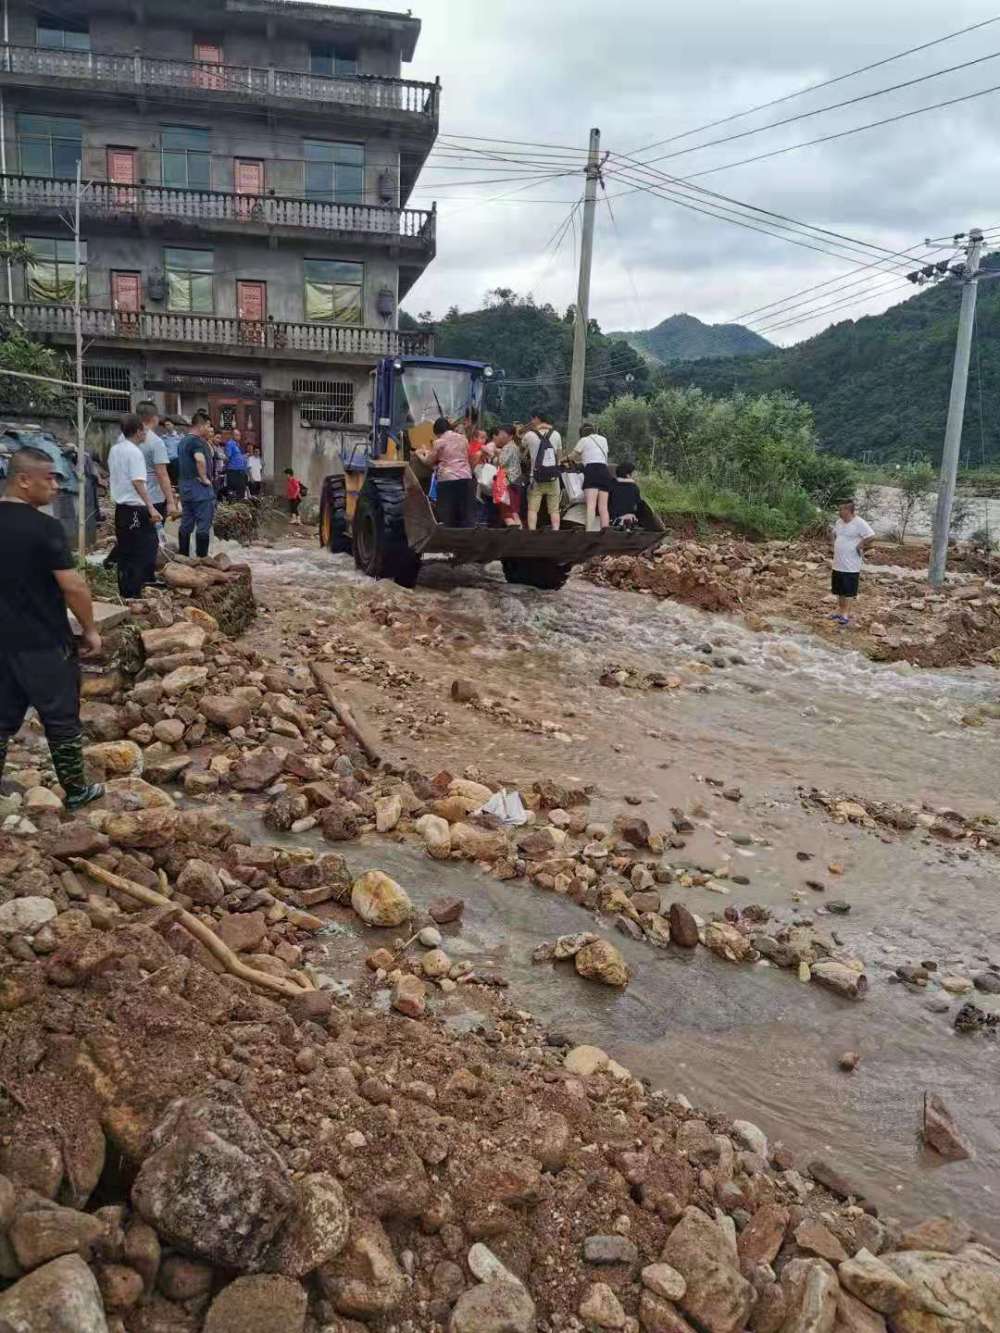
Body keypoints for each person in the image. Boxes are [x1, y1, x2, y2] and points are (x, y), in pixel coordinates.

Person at [0, 447, 105, 810]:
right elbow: (72, 585)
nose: (56, 485)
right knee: (61, 718)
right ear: (24, 480)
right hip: (44, 642)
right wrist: (90, 629)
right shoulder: (44, 527)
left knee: (1, 720)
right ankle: (76, 790)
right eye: (50, 477)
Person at [108, 413, 161, 599]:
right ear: (138, 431)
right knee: (145, 548)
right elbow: (138, 482)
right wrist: (151, 507)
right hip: (134, 508)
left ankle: (126, 591)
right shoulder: (134, 452)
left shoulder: (115, 449)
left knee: (126, 549)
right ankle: (137, 590)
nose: (146, 433)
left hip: (121, 508)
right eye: (144, 430)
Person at [417, 416, 473, 528]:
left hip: (448, 479)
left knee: (447, 515)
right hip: (466, 478)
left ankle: (449, 541)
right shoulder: (463, 439)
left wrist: (420, 454)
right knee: (464, 514)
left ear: (437, 432)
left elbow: (429, 461)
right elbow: (467, 456)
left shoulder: (439, 442)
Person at [177, 409, 216, 558]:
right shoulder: (197, 442)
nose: (209, 429)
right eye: (208, 426)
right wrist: (205, 478)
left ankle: (183, 557)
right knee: (203, 527)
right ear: (202, 426)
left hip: (185, 490)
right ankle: (202, 561)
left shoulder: (182, 441)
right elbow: (199, 459)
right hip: (200, 490)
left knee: (186, 524)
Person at [831, 499, 875, 625]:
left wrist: (860, 545)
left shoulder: (859, 523)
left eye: (841, 509)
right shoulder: (839, 522)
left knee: (848, 590)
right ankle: (839, 610)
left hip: (851, 565)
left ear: (848, 510)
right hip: (838, 563)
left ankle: (845, 614)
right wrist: (834, 544)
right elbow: (833, 533)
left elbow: (871, 536)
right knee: (839, 589)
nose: (839, 512)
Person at [523, 410, 562, 531]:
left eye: (532, 419)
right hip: (553, 477)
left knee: (533, 509)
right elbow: (559, 457)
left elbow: (522, 449)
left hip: (536, 477)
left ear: (537, 419)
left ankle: (532, 532)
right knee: (554, 509)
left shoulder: (529, 435)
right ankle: (556, 531)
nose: (531, 421)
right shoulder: (556, 434)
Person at [574, 420, 613, 531]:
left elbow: (574, 455)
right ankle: (606, 532)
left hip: (591, 471)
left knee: (591, 506)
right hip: (604, 472)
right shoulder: (603, 439)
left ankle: (589, 531)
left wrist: (564, 459)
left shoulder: (583, 440)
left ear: (582, 433)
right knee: (603, 507)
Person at [493, 424, 523, 528]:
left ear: (510, 436)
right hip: (516, 481)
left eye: (502, 434)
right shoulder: (515, 447)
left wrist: (496, 454)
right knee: (514, 511)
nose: (500, 436)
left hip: (507, 482)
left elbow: (502, 462)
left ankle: (513, 536)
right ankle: (521, 534)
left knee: (507, 512)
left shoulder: (508, 447)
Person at [609, 459, 642, 529]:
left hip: (613, 518)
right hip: (630, 517)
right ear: (628, 475)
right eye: (634, 473)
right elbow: (638, 503)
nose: (635, 475)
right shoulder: (635, 487)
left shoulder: (612, 484)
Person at [224, 428, 249, 502]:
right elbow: (227, 457)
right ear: (232, 435)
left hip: (240, 472)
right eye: (237, 435)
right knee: (233, 495)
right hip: (233, 472)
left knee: (241, 493)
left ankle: (240, 511)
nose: (239, 437)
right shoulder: (230, 443)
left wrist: (243, 457)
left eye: (239, 435)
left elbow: (236, 457)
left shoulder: (237, 445)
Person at [161, 417, 182, 485]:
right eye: (166, 425)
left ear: (173, 425)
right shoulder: (163, 438)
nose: (167, 427)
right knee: (168, 480)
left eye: (169, 424)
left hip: (176, 460)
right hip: (167, 461)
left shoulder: (179, 437)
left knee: (177, 480)